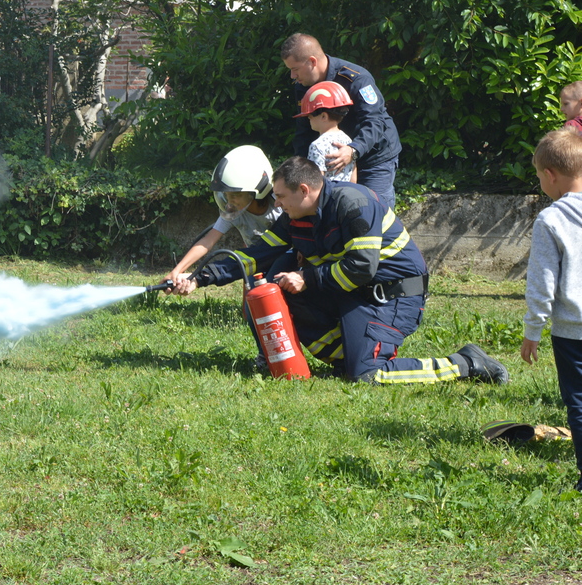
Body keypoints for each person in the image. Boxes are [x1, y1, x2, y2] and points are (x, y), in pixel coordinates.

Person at [183, 155, 509, 385]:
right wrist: (199, 279)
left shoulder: (354, 203)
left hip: (392, 297)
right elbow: (257, 255)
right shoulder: (296, 216)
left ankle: (465, 363)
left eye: (281, 196)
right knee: (274, 287)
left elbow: (362, 267)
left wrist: (307, 277)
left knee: (368, 375)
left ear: (304, 190)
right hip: (351, 294)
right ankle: (349, 357)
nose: (277, 204)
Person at [521, 128, 582, 493]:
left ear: (550, 175)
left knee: (579, 402)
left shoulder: (551, 220)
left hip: (573, 331)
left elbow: (542, 283)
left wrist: (533, 330)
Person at [281, 33, 401, 209]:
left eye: (295, 69)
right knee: (335, 213)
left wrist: (353, 150)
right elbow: (304, 132)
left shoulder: (356, 78)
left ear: (312, 61)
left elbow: (374, 121)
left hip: (373, 157)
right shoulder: (303, 85)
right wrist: (299, 169)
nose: (292, 75)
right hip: (335, 162)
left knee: (374, 212)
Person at [164, 145, 282, 288]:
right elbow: (207, 241)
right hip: (255, 259)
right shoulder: (234, 212)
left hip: (285, 256)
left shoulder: (280, 204)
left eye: (236, 194)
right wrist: (177, 270)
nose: (229, 201)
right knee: (253, 297)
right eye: (226, 195)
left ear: (258, 189)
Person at [296, 80, 357, 183]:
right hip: (347, 192)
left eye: (310, 116)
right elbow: (353, 177)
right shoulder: (348, 141)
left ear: (324, 116)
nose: (308, 119)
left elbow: (317, 182)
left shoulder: (317, 146)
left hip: (328, 193)